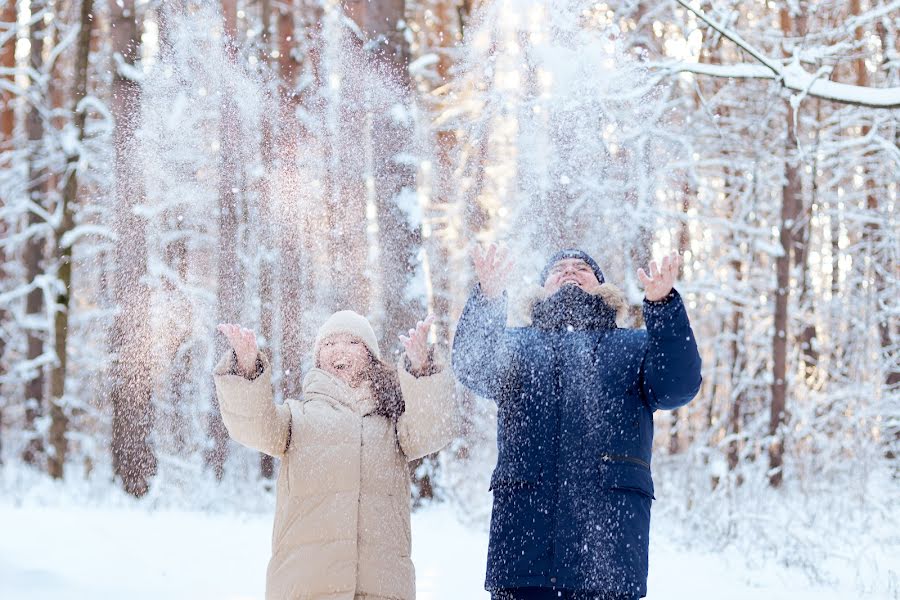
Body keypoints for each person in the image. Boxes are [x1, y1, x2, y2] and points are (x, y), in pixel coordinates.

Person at [452, 245, 702, 600]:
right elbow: (471, 366)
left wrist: (663, 307)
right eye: (559, 269)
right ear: (543, 288)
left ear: (602, 286)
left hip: (609, 561)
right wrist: (488, 298)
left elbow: (679, 384)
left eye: (582, 268)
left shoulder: (634, 346)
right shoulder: (516, 346)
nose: (569, 271)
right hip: (524, 560)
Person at [215, 310, 457, 600]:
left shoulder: (391, 422)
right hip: (306, 586)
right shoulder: (297, 418)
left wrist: (421, 369)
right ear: (318, 359)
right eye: (329, 345)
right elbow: (252, 426)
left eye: (352, 342)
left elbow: (432, 431)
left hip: (381, 588)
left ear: (370, 355)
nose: (339, 350)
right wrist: (245, 367)